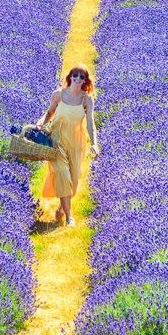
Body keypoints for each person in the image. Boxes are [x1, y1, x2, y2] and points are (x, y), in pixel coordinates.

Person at [36, 64, 100, 226]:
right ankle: (69, 217)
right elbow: (49, 113)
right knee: (63, 175)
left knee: (74, 184)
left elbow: (90, 123)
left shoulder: (86, 99)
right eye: (75, 75)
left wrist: (94, 143)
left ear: (85, 80)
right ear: (70, 77)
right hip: (57, 139)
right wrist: (40, 124)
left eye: (81, 77)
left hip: (76, 142)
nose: (78, 79)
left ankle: (61, 208)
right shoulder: (58, 95)